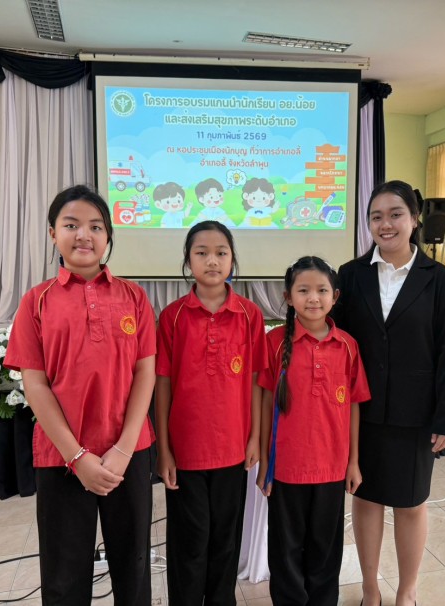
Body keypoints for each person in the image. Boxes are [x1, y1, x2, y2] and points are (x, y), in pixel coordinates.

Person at [4, 184, 156, 606]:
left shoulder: (134, 297)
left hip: (128, 452)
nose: (84, 235)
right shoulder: (36, 302)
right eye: (71, 225)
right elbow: (35, 384)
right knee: (64, 575)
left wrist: (123, 449)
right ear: (53, 233)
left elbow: (145, 373)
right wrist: (77, 456)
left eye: (96, 226)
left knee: (133, 567)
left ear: (108, 237)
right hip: (62, 457)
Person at [332, 180, 445, 606]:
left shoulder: (441, 280)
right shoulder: (350, 275)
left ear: (415, 219)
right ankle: (370, 588)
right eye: (376, 216)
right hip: (362, 411)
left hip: (416, 412)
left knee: (410, 503)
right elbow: (336, 342)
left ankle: (407, 591)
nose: (385, 224)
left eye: (395, 214)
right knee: (366, 499)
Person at [155, 220, 267, 606]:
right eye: (201, 253)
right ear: (188, 261)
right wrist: (164, 450)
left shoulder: (250, 315)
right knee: (189, 541)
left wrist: (254, 438)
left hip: (233, 449)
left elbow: (256, 381)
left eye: (221, 252)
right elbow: (163, 384)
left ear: (232, 259)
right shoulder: (172, 316)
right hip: (186, 451)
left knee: (225, 540)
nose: (212, 261)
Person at [257, 256, 370, 606]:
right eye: (303, 290)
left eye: (322, 290)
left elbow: (354, 405)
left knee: (326, 548)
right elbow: (265, 403)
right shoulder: (275, 342)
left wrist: (353, 462)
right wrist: (265, 462)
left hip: (331, 469)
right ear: (288, 297)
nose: (313, 298)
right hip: (286, 470)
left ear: (335, 296)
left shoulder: (347, 345)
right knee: (285, 549)